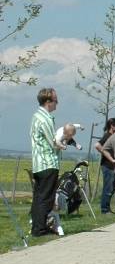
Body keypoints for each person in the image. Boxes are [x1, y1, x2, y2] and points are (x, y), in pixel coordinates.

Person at [29, 87, 61, 237]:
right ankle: (40, 229)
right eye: (55, 100)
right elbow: (53, 143)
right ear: (48, 101)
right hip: (48, 162)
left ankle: (36, 226)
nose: (57, 104)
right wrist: (64, 141)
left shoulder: (35, 116)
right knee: (46, 198)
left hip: (38, 163)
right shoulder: (46, 118)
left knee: (38, 196)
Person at [95, 119, 115, 213]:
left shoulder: (113, 136)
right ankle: (104, 209)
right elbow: (97, 145)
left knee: (112, 187)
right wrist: (108, 156)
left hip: (112, 166)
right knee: (108, 187)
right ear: (112, 126)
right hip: (107, 166)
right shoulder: (108, 136)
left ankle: (107, 207)